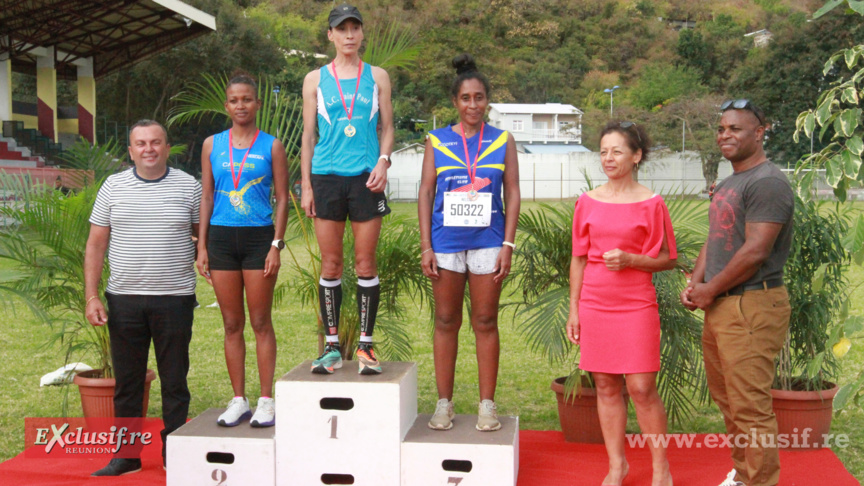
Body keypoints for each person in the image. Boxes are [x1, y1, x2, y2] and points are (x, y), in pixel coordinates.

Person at [681, 100, 793, 486]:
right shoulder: (730, 182)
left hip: (752, 303)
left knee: (750, 407)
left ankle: (758, 481)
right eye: (722, 129)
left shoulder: (768, 182)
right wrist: (697, 284)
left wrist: (710, 288)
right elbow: (716, 239)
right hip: (723, 304)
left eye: (736, 129)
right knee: (730, 402)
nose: (725, 135)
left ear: (759, 133)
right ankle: (745, 475)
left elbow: (756, 250)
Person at [84, 120, 201, 475]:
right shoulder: (112, 187)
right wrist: (92, 296)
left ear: (167, 147)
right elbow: (95, 244)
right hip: (124, 299)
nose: (148, 149)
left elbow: (204, 238)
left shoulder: (189, 187)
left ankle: (175, 453)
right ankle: (126, 456)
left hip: (175, 298)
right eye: (141, 143)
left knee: (175, 380)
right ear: (131, 150)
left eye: (155, 142)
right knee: (128, 382)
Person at [567, 121, 677, 486]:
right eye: (603, 152)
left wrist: (632, 260)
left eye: (617, 151)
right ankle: (617, 466)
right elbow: (578, 259)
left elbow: (667, 258)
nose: (608, 158)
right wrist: (574, 310)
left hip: (636, 303)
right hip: (595, 302)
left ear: (636, 156)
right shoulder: (587, 201)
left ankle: (660, 467)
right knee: (605, 385)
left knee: (642, 387)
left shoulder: (652, 203)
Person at [418, 54, 520, 432]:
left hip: (488, 241)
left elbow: (512, 193)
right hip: (445, 243)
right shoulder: (437, 140)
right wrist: (426, 246)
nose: (473, 105)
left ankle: (486, 406)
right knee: (445, 320)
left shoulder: (502, 141)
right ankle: (443, 404)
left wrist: (508, 244)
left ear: (487, 101)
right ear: (455, 102)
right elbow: (426, 192)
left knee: (485, 320)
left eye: (479, 98)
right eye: (465, 98)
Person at [300, 4, 394, 375]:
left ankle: (367, 347)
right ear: (331, 35)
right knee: (331, 263)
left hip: (366, 178)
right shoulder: (314, 79)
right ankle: (332, 347)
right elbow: (308, 135)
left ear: (362, 33)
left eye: (355, 28)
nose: (349, 35)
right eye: (342, 29)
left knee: (365, 263)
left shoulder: (378, 76)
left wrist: (384, 162)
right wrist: (306, 183)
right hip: (325, 176)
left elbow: (388, 127)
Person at [196, 73, 289, 427]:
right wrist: (202, 245)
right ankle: (239, 399)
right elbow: (206, 196)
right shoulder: (211, 144)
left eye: (247, 99)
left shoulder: (271, 145)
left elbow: (281, 199)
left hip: (257, 240)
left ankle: (266, 400)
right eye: (234, 100)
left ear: (257, 104)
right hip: (220, 239)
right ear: (226, 105)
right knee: (231, 323)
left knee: (261, 321)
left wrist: (275, 244)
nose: (241, 106)